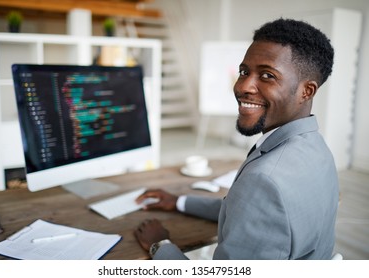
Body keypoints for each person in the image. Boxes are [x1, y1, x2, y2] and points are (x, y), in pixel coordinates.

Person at [134, 18, 339, 260]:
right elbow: (255, 212)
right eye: (244, 72)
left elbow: (261, 201)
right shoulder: (317, 148)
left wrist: (160, 244)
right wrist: (181, 202)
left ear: (307, 91)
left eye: (267, 75)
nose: (243, 86)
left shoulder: (265, 179)